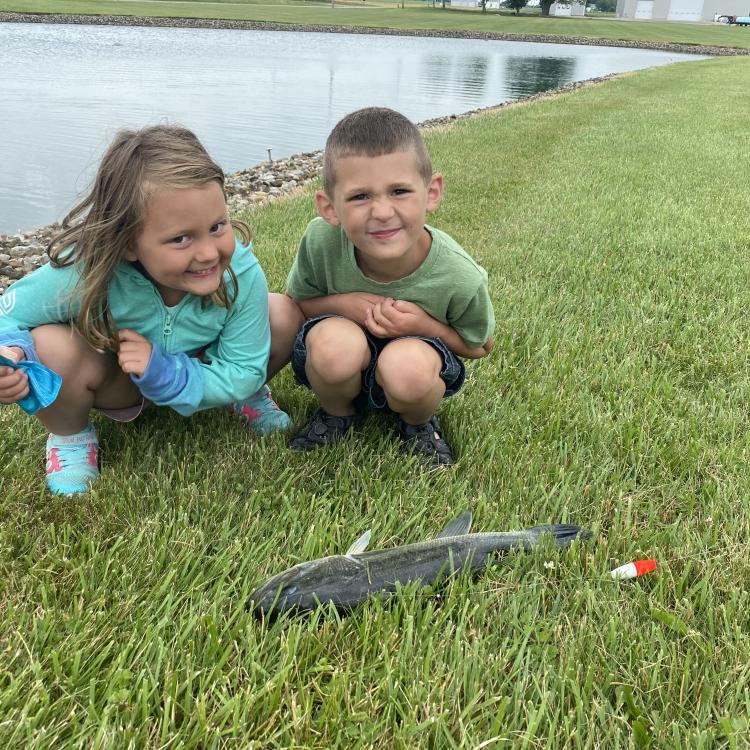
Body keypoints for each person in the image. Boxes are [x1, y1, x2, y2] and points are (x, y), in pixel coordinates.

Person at [0, 125, 303, 496]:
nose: (209, 253)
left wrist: (167, 373)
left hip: (203, 367)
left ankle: (246, 398)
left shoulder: (240, 272)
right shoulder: (84, 270)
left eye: (216, 226)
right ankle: (70, 435)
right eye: (181, 238)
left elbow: (242, 369)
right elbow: (8, 313)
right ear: (127, 242)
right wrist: (12, 351)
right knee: (46, 345)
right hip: (120, 380)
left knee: (283, 314)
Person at [286, 107, 494, 470]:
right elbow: (298, 302)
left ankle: (417, 424)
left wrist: (424, 327)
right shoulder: (321, 241)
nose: (382, 211)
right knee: (333, 347)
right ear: (329, 207)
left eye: (399, 191)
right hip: (344, 351)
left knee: (408, 370)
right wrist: (343, 304)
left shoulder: (459, 274)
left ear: (431, 193)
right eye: (360, 197)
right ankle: (337, 413)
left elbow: (481, 346)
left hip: (415, 356)